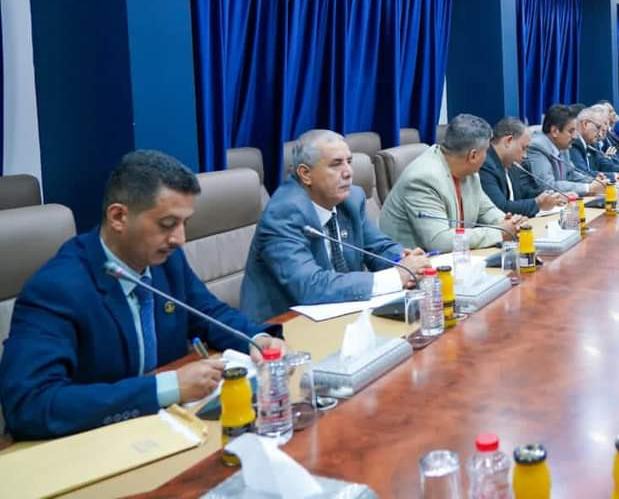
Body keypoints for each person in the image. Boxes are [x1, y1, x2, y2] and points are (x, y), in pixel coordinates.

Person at [0, 150, 284, 440]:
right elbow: (30, 404)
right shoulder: (57, 288)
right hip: (92, 440)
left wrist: (256, 339)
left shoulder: (164, 260)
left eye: (185, 223)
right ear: (118, 216)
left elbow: (209, 313)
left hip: (169, 428)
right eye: (167, 224)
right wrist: (167, 387)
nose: (180, 240)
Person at [240, 130, 429, 321]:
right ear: (305, 174)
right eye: (336, 164)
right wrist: (396, 277)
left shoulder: (351, 199)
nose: (348, 172)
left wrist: (408, 263)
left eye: (349, 161)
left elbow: (379, 248)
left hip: (343, 313)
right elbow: (310, 287)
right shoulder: (283, 213)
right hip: (284, 324)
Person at [379, 114, 525, 252]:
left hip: (454, 258)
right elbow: (439, 240)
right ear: (473, 155)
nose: (487, 156)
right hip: (410, 263)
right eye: (486, 151)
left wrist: (509, 223)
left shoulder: (469, 172)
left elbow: (485, 210)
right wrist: (499, 233)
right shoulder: (423, 178)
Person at [479, 116, 563, 217]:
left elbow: (525, 193)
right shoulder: (485, 164)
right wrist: (538, 203)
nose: (525, 156)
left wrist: (552, 196)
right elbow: (500, 207)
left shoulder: (510, 163)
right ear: (508, 141)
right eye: (523, 148)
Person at [525, 104, 606, 197]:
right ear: (555, 131)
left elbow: (571, 174)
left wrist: (594, 181)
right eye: (571, 131)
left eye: (575, 131)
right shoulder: (537, 147)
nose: (575, 136)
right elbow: (548, 185)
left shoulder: (562, 145)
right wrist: (588, 187)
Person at [569, 105, 619, 181]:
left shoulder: (592, 143)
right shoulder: (573, 143)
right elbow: (583, 173)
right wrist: (617, 176)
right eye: (598, 127)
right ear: (585, 124)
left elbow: (603, 166)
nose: (599, 133)